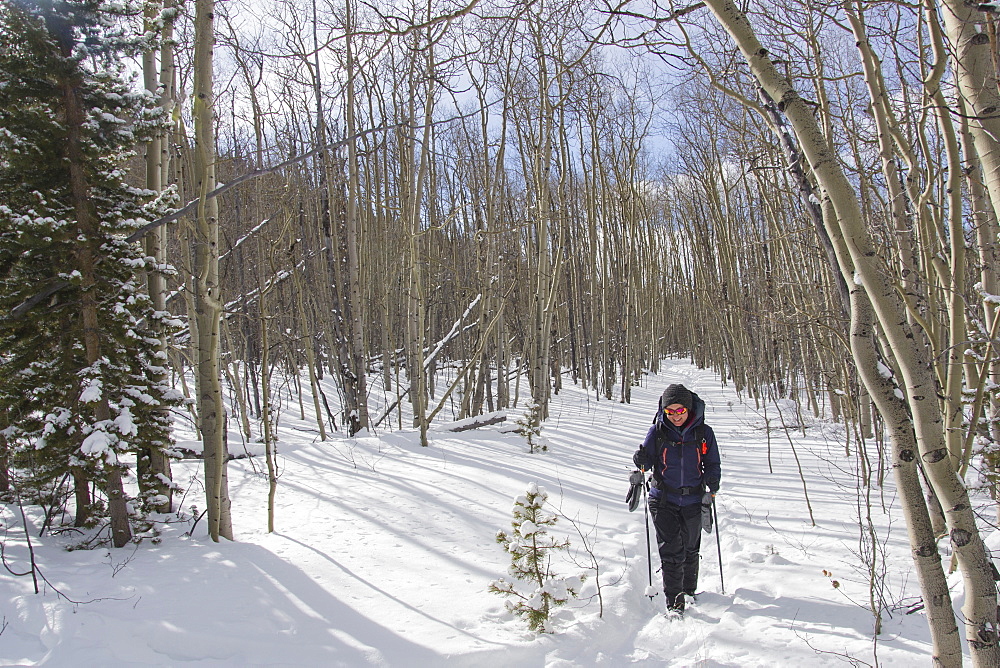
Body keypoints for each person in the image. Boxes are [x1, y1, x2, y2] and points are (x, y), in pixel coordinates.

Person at [633, 384, 721, 615]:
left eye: (679, 410)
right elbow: (646, 462)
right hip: (663, 499)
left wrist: (713, 480)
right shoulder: (657, 431)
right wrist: (640, 459)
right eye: (670, 411)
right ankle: (674, 601)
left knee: (690, 547)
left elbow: (712, 462)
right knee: (671, 551)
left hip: (693, 498)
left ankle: (689, 590)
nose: (675, 416)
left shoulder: (704, 433)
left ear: (689, 409)